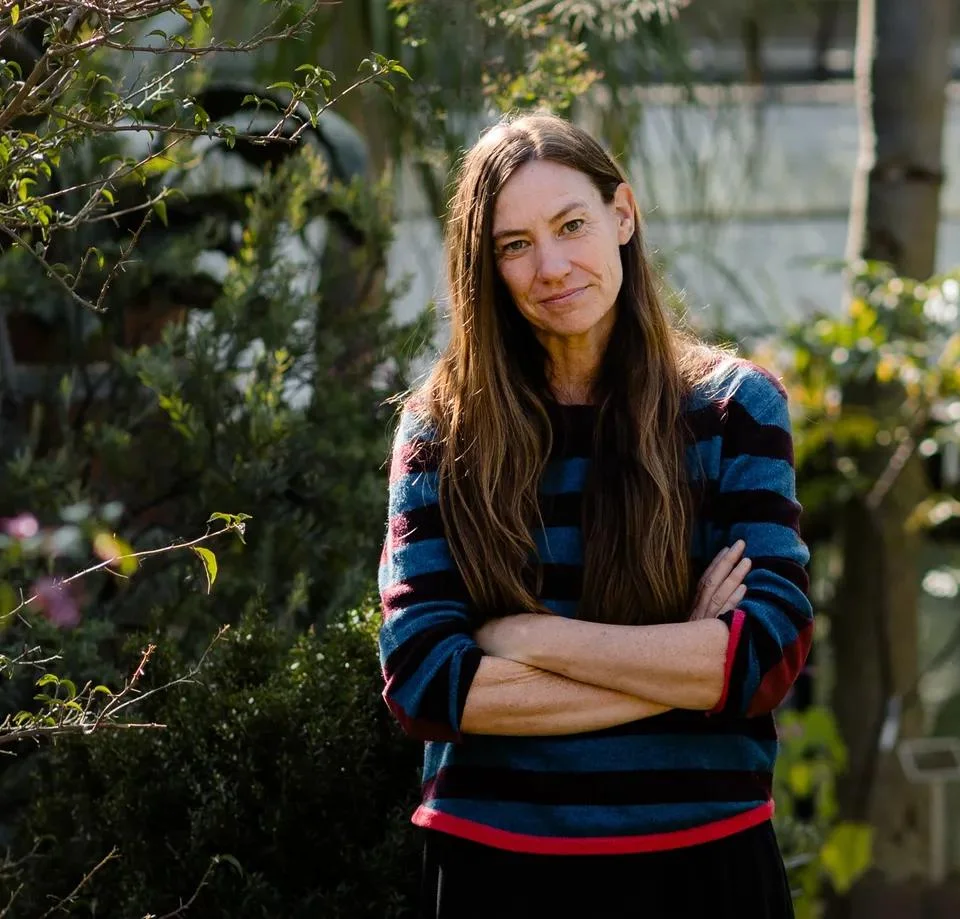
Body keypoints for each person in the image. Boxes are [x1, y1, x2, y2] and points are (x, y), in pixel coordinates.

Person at [376, 111, 813, 919]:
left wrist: (527, 636)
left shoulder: (732, 409)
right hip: (495, 872)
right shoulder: (441, 428)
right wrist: (686, 660)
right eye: (514, 245)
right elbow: (425, 680)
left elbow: (767, 654)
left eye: (571, 225)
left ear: (623, 215)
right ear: (487, 269)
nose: (551, 265)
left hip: (704, 864)